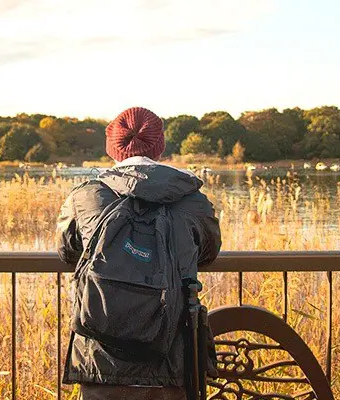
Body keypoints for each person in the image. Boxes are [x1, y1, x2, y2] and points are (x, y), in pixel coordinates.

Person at [57, 107, 221, 400]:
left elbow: (68, 251)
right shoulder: (192, 200)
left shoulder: (87, 196)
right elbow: (208, 253)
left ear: (113, 149)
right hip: (170, 360)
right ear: (159, 146)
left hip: (100, 360)